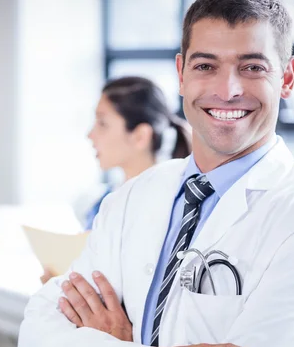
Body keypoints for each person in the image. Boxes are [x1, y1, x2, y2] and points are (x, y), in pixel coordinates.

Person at [16, 0, 294, 347]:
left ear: (287, 77)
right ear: (181, 74)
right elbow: (38, 346)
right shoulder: (131, 198)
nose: (227, 90)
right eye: (206, 66)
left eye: (252, 67)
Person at [40, 76, 191, 284]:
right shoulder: (102, 203)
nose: (90, 134)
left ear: (140, 136)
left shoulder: (170, 206)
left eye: (102, 123)